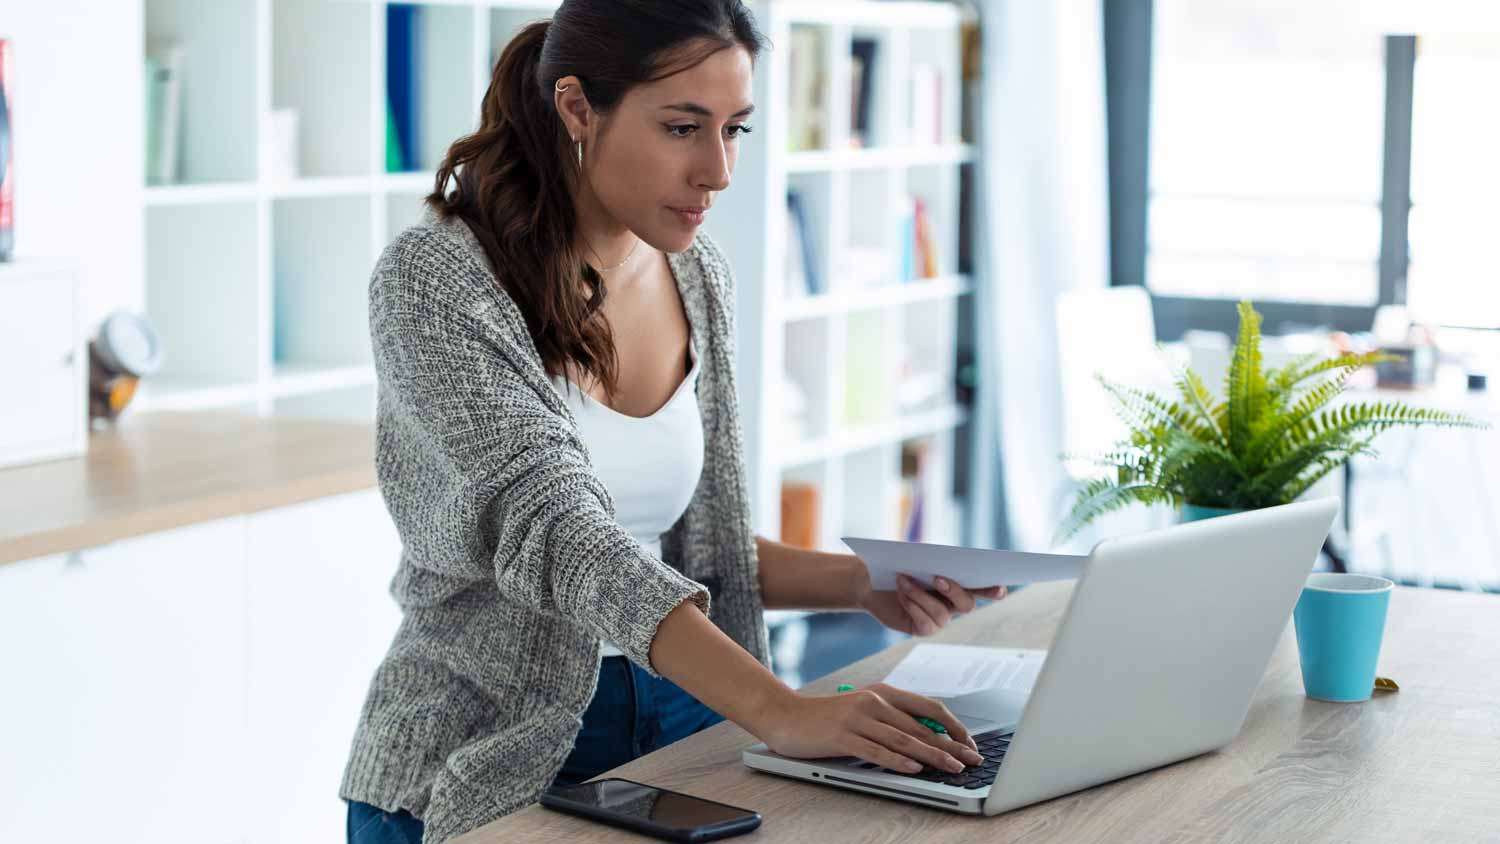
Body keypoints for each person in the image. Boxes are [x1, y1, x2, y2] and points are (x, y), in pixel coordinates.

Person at [339, 2, 1008, 841]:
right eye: (684, 127)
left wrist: (858, 583)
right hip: (489, 748)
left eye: (736, 130)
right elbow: (561, 535)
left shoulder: (696, 276)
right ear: (578, 107)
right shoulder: (438, 280)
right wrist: (782, 709)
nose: (718, 171)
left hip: (691, 725)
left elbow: (680, 548)